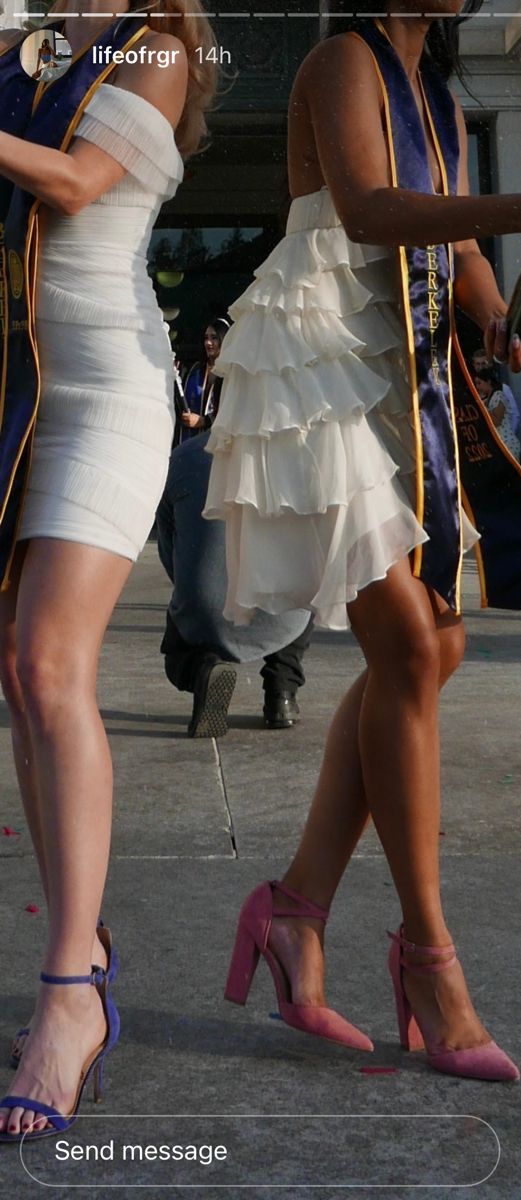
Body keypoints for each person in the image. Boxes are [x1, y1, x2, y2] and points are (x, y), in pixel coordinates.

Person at [204, 2, 521, 1080]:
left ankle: (295, 911)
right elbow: (372, 207)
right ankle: (430, 960)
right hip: (323, 350)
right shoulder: (346, 57)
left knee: (432, 647)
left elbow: (459, 241)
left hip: (404, 355)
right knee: (405, 646)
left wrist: (498, 319)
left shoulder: (434, 88)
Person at [0, 0, 217, 1141]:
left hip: (110, 390)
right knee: (17, 675)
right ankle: (77, 942)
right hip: (16, 393)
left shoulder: (161, 43)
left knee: (49, 665)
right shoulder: (27, 42)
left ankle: (69, 999)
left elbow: (77, 185)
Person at [156, 432, 313, 734]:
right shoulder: (301, 455)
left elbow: (170, 550)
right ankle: (282, 691)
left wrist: (195, 589)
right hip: (284, 613)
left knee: (178, 652)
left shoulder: (184, 457)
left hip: (205, 610)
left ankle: (203, 669)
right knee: (304, 578)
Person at [176, 318, 230, 444]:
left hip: (215, 443)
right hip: (188, 440)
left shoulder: (231, 374)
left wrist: (204, 421)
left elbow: (232, 411)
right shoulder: (194, 370)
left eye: (214, 338)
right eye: (206, 338)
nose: (208, 343)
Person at [472, 361, 521, 460]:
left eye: (479, 383)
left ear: (488, 382)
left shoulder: (499, 395)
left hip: (507, 444)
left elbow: (497, 421)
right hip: (497, 445)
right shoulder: (487, 399)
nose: (477, 387)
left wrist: (482, 408)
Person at [471, 345, 520, 435]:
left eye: (484, 363)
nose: (481, 367)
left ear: (489, 364)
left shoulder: (502, 388)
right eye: (478, 364)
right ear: (474, 365)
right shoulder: (470, 389)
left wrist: (508, 438)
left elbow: (514, 414)